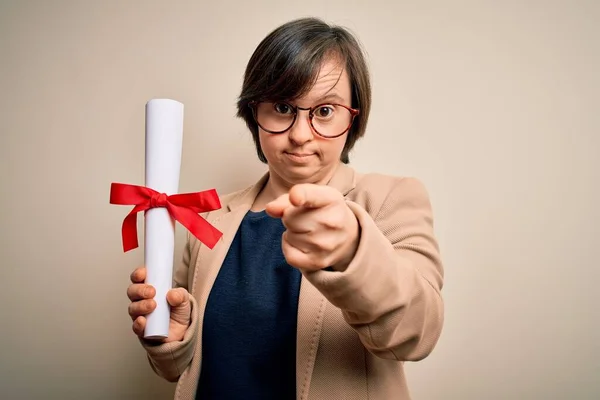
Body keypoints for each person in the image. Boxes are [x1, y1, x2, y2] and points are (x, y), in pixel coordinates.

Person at [127, 17, 444, 400]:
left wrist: (353, 252)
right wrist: (174, 339)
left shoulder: (391, 199)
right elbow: (178, 369)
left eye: (324, 110)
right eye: (282, 107)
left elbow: (419, 332)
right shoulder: (211, 217)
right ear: (253, 112)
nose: (299, 133)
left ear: (353, 115)